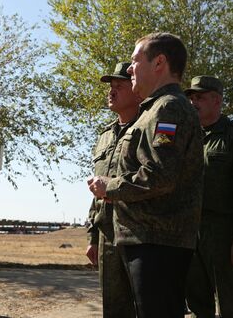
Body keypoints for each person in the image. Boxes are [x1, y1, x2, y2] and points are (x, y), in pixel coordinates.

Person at [87, 32, 203, 318]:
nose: (129, 69)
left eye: (135, 60)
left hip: (158, 241)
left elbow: (159, 175)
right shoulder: (155, 110)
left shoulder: (169, 108)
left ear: (159, 63)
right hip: (146, 239)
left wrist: (108, 186)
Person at [184, 76, 233, 318]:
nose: (194, 102)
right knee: (196, 300)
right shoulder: (186, 135)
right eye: (192, 98)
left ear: (217, 101)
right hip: (188, 230)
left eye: (200, 97)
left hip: (223, 231)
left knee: (229, 302)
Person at [85, 62, 141, 318]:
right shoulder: (105, 135)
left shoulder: (148, 128)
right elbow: (96, 190)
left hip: (139, 234)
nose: (111, 91)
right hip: (107, 233)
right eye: (110, 87)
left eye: (119, 86)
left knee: (146, 306)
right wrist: (92, 237)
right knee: (114, 309)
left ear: (137, 89)